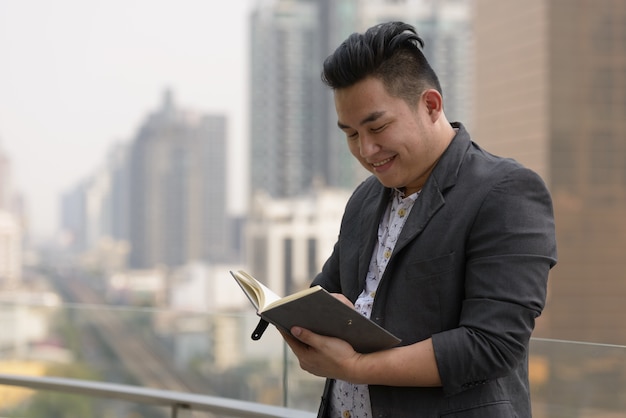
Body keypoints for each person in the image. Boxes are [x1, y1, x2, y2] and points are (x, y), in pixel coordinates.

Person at [279, 21, 557, 418]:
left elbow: (493, 344)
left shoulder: (506, 191)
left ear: (430, 105)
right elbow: (327, 290)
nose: (366, 149)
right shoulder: (364, 198)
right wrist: (303, 317)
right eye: (351, 134)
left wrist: (355, 367)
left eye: (377, 127)